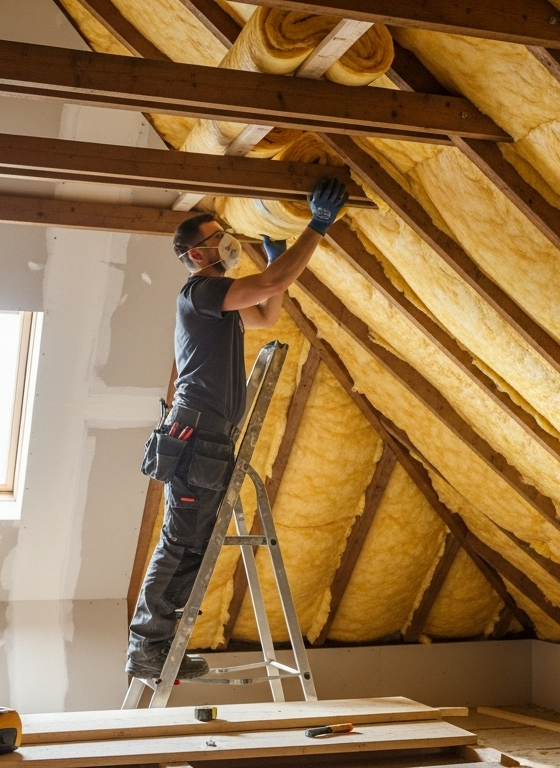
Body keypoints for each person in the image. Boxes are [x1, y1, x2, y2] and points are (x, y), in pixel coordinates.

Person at [126, 176, 349, 682]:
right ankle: (146, 648)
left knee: (194, 548)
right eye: (217, 237)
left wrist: (277, 263)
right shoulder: (201, 291)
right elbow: (269, 288)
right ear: (197, 254)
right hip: (193, 440)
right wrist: (317, 227)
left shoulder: (218, 302)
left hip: (206, 441)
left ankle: (164, 647)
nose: (228, 242)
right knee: (178, 544)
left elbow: (268, 312)